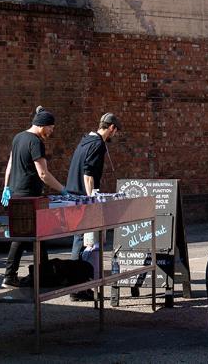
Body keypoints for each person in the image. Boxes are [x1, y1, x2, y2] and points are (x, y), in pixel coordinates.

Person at [1, 106, 67, 288]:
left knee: (38, 235)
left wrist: (6, 186)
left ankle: (43, 274)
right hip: (29, 196)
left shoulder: (18, 137)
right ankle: (10, 276)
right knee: (22, 237)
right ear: (42, 126)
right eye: (51, 128)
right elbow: (43, 174)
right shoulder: (36, 142)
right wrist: (63, 189)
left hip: (16, 193)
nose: (52, 131)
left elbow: (9, 165)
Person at [63, 113, 121, 301]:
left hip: (73, 195)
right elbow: (88, 174)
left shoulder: (85, 141)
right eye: (115, 131)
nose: (114, 135)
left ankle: (80, 286)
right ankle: (77, 288)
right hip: (83, 198)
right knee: (82, 243)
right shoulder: (98, 144)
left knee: (80, 241)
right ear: (111, 127)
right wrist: (92, 201)